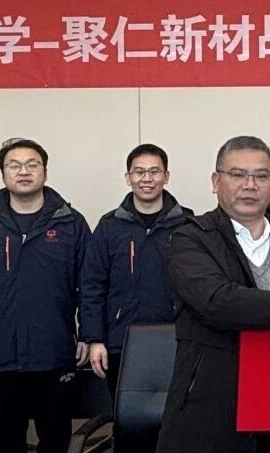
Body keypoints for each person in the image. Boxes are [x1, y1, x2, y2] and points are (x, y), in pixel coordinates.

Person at [156, 135, 270, 453]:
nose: (250, 185)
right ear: (216, 181)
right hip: (211, 414)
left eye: (261, 176)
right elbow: (218, 301)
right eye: (238, 175)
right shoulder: (190, 237)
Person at [0, 138, 90, 453]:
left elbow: (90, 285)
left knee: (55, 443)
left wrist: (90, 333)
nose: (23, 171)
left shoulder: (70, 223)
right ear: (3, 174)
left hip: (53, 354)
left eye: (32, 165)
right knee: (4, 445)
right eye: (14, 165)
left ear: (45, 172)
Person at [81, 143, 191, 394]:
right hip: (121, 341)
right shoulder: (109, 226)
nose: (147, 179)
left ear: (166, 176)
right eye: (139, 172)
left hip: (176, 339)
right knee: (125, 414)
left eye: (154, 171)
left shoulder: (186, 225)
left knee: (177, 414)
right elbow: (92, 286)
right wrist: (94, 339)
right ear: (128, 177)